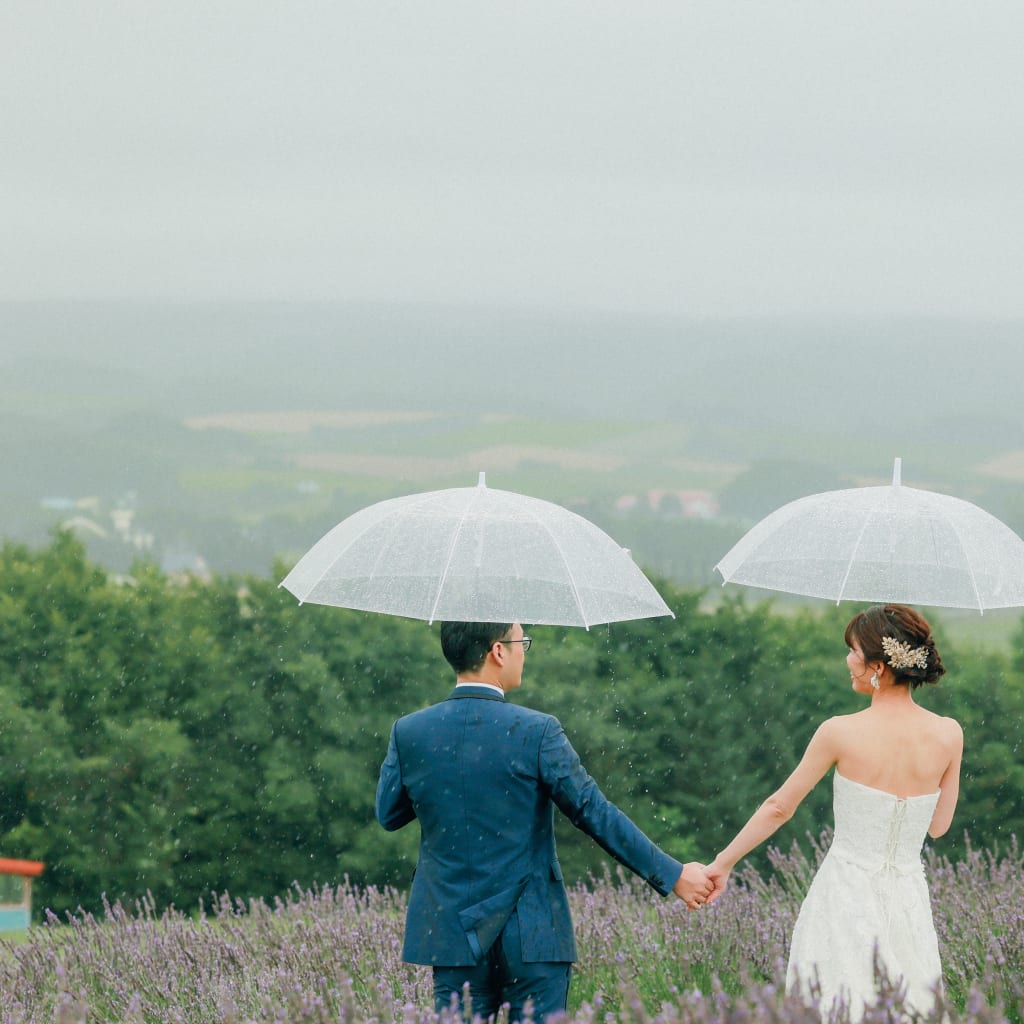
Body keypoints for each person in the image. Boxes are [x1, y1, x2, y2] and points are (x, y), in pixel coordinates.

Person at [376, 620, 713, 1022]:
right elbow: (593, 812)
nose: (523, 652)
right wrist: (672, 874)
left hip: (452, 933)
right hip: (531, 931)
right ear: (498, 651)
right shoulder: (537, 731)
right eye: (522, 643)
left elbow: (390, 815)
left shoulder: (410, 731)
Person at [705, 604, 962, 1019]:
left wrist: (723, 863)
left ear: (878, 666)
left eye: (854, 651)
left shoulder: (839, 732)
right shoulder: (950, 733)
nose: (848, 660)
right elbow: (938, 827)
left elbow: (778, 807)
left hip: (844, 896)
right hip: (908, 900)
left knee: (835, 1005)